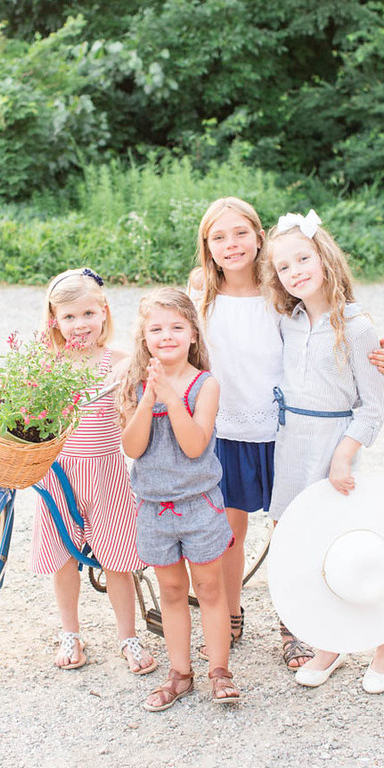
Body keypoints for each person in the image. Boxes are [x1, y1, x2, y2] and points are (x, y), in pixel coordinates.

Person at [188, 197, 384, 669]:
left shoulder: (280, 294)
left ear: (259, 238)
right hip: (228, 429)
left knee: (292, 532)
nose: (231, 244)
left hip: (285, 428)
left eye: (241, 233)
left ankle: (295, 625)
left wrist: (380, 351)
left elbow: (333, 332)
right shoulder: (201, 295)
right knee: (230, 533)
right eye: (218, 236)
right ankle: (231, 616)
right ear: (206, 247)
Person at [0, 267, 156, 676]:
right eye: (70, 317)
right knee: (62, 558)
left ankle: (128, 636)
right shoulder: (48, 362)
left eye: (88, 314)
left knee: (116, 559)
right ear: (53, 320)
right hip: (57, 471)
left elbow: (148, 387)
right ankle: (71, 633)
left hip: (106, 472)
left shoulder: (120, 362)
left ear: (104, 313)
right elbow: (7, 387)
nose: (80, 325)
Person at [265, 210, 384, 692]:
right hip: (291, 444)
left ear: (324, 257)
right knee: (303, 549)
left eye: (303, 258)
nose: (295, 271)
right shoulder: (289, 320)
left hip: (330, 445)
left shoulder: (357, 325)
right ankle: (330, 642)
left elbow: (372, 407)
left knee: (348, 548)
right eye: (284, 267)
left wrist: (344, 455)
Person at [119, 287, 240, 710]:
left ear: (193, 335)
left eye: (176, 327)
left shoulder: (204, 385)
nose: (166, 335)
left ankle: (219, 671)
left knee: (209, 587)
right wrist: (149, 398)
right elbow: (132, 448)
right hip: (154, 509)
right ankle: (180, 673)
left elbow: (194, 445)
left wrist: (171, 399)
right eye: (156, 329)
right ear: (144, 337)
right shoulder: (136, 385)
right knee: (170, 591)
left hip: (199, 505)